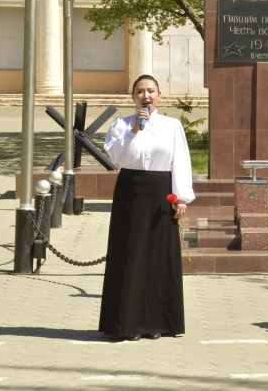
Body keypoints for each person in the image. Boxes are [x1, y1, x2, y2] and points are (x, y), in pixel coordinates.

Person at [99, 74, 195, 341]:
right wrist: (135, 130)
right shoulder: (122, 125)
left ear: (159, 96)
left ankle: (157, 322)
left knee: (158, 255)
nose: (146, 96)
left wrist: (182, 196)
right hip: (132, 191)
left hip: (161, 193)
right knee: (129, 253)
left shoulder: (172, 126)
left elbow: (181, 161)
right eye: (140, 91)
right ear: (133, 97)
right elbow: (117, 156)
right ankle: (127, 323)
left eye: (150, 91)